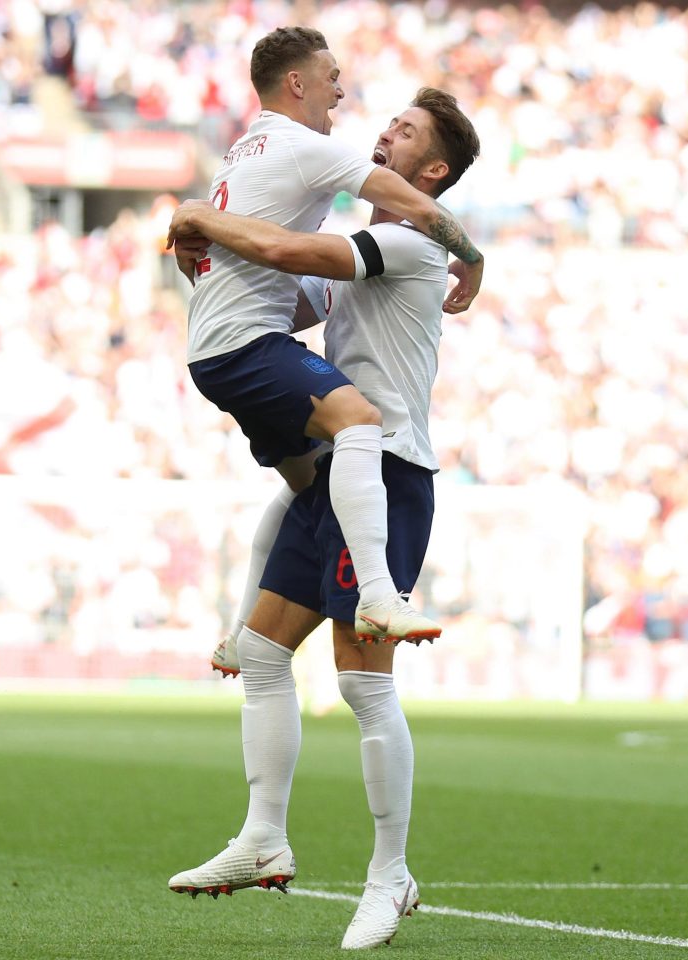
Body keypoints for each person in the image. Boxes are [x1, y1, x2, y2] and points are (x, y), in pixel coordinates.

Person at [167, 87, 480, 951]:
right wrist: (199, 257)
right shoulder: (374, 249)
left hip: (389, 475)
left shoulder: (407, 244)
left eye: (404, 134)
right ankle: (262, 837)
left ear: (431, 172)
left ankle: (391, 876)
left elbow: (279, 245)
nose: (382, 134)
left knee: (363, 683)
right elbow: (283, 289)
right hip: (344, 478)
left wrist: (202, 212)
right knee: (264, 654)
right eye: (386, 124)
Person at [167, 26, 483, 649]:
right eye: (331, 77)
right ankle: (379, 598)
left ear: (436, 167)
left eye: (405, 130)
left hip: (378, 456)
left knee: (306, 491)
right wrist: (473, 258)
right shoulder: (310, 155)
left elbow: (302, 280)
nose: (342, 94)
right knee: (356, 421)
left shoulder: (251, 153)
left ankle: (240, 634)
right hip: (363, 442)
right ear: (296, 83)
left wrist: (202, 225)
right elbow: (290, 251)